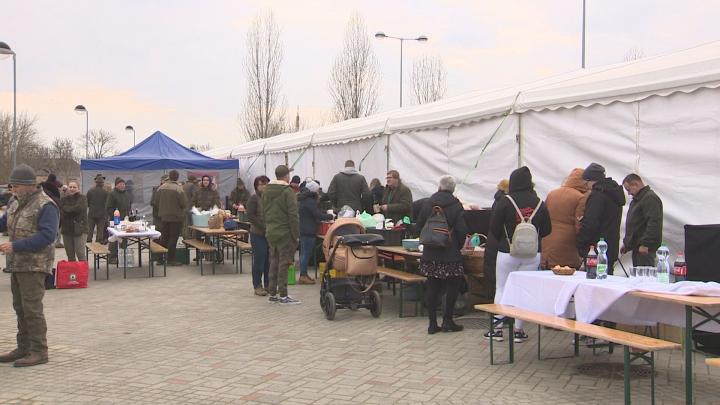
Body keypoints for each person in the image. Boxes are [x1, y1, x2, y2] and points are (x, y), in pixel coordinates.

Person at [0, 164, 59, 367]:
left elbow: (47, 236)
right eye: (12, 186)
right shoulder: (15, 202)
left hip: (35, 265)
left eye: (16, 186)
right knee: (19, 307)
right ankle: (23, 347)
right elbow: (5, 222)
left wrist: (15, 245)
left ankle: (39, 350)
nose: (12, 189)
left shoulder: (46, 205)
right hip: (16, 264)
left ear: (29, 185)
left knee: (32, 308)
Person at [486, 166, 551, 343]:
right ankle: (518, 330)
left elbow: (494, 228)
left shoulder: (505, 201)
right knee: (523, 290)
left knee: (501, 287)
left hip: (507, 252)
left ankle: (497, 329)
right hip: (532, 254)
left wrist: (506, 239)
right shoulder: (539, 203)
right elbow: (547, 230)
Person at [416, 175, 468, 334]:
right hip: (450, 253)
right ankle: (447, 320)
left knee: (432, 287)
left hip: (431, 252)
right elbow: (462, 230)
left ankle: (432, 323)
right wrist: (457, 247)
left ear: (439, 187)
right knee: (453, 286)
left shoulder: (428, 203)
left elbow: (419, 225)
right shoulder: (456, 205)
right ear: (453, 189)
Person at [576, 163, 626, 274]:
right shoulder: (614, 194)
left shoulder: (597, 196)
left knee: (594, 285)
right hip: (611, 248)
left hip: (596, 250)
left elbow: (590, 223)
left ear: (593, 180)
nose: (586, 186)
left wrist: (579, 243)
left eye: (586, 182)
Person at [262, 165, 301, 305]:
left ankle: (272, 294)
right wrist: (296, 234)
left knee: (274, 262)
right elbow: (293, 215)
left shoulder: (266, 191)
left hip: (271, 231)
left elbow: (263, 211)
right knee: (284, 264)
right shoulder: (287, 191)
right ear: (286, 176)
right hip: (285, 232)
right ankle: (283, 295)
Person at [541, 168, 588, 269]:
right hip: (567, 244)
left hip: (547, 240)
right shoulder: (580, 197)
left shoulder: (552, 193)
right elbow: (578, 224)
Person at [621, 174, 663, 267]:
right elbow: (636, 224)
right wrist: (627, 244)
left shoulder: (649, 198)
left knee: (644, 277)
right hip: (638, 247)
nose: (628, 193)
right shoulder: (638, 199)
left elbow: (654, 222)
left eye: (628, 190)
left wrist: (646, 244)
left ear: (635, 184)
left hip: (644, 249)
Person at [297, 180, 333, 285]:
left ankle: (304, 274)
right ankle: (303, 276)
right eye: (317, 189)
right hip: (309, 230)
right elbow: (317, 214)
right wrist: (330, 216)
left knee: (304, 253)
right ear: (314, 190)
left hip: (303, 229)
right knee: (306, 254)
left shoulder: (304, 199)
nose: (319, 192)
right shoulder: (310, 201)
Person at [483, 178, 509, 298]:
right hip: (500, 244)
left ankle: (493, 312)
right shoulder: (505, 203)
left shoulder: (497, 201)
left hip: (491, 243)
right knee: (502, 284)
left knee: (494, 281)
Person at [155, 170, 187, 266]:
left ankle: (160, 259)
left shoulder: (161, 188)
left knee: (164, 237)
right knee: (173, 238)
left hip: (164, 217)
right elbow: (184, 203)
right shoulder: (179, 189)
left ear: (169, 176)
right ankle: (171, 259)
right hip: (176, 217)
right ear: (177, 177)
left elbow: (156, 202)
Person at [247, 175, 271, 296]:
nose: (264, 186)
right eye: (261, 184)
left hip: (270, 234)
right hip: (258, 233)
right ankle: (257, 285)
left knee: (269, 260)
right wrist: (263, 226)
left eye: (266, 184)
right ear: (256, 186)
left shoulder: (271, 198)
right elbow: (250, 216)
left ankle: (268, 284)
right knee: (259, 260)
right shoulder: (254, 198)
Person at [59, 180, 88, 261]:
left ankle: (83, 272)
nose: (72, 189)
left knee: (80, 253)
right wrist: (71, 209)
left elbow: (79, 209)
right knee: (70, 255)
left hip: (80, 229)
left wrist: (67, 209)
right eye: (70, 187)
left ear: (78, 188)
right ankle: (73, 273)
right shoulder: (63, 199)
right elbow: (62, 210)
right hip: (66, 230)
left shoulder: (83, 198)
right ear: (68, 188)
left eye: (74, 187)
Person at [105, 177, 132, 264]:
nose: (122, 185)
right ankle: (112, 257)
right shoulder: (112, 194)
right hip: (115, 220)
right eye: (120, 184)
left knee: (124, 238)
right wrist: (114, 216)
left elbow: (129, 205)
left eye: (123, 184)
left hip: (125, 220)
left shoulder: (127, 194)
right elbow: (108, 207)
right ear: (116, 185)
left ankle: (122, 255)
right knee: (114, 239)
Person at [40, 173, 63, 248]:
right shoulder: (55, 190)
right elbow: (61, 184)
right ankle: (57, 242)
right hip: (54, 212)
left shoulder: (41, 188)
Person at [86, 173, 109, 244]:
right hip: (102, 214)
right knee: (100, 231)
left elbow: (87, 203)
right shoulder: (105, 192)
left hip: (91, 213)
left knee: (90, 231)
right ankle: (98, 244)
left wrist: (91, 207)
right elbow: (107, 204)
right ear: (102, 183)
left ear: (96, 182)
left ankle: (88, 243)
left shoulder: (90, 191)